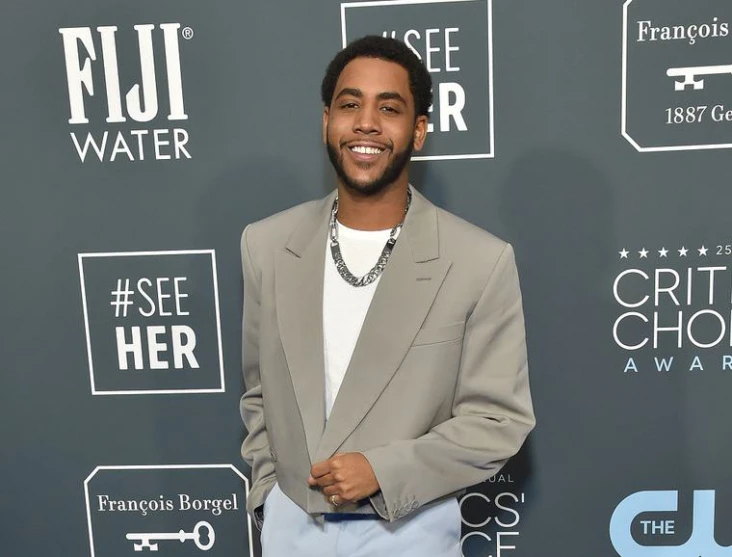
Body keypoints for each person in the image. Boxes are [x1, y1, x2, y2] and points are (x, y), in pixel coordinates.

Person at [239, 35, 535, 557]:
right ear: (326, 121)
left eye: (389, 108)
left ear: (418, 130)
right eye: (350, 105)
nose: (366, 123)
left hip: (407, 530)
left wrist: (383, 471)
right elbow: (259, 392)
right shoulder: (266, 245)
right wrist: (269, 494)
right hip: (291, 528)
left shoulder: (478, 260)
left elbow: (497, 422)